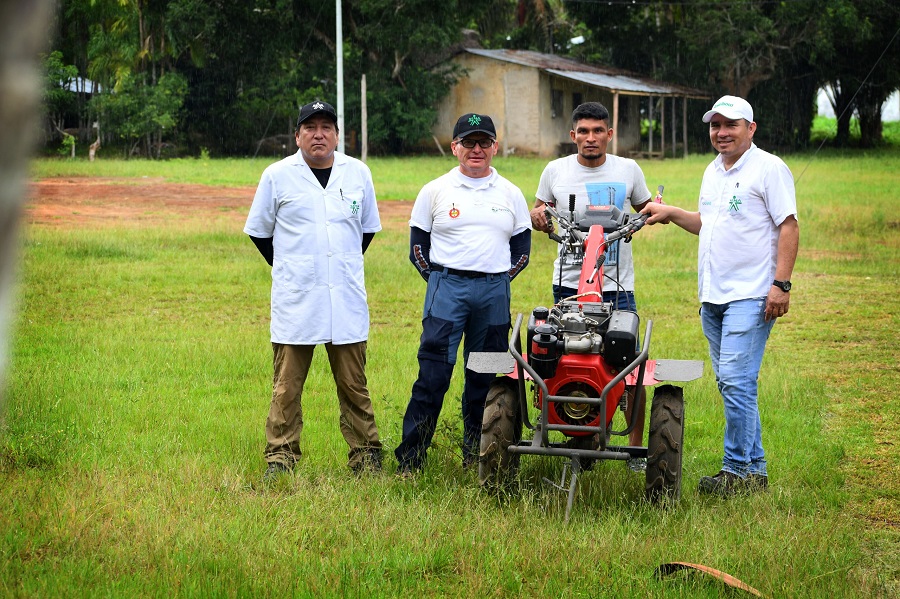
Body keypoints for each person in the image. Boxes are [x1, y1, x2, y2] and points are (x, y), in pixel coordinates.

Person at [641, 95, 799, 496]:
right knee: (737, 382)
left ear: (751, 128)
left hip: (751, 294)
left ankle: (735, 471)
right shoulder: (713, 171)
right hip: (713, 296)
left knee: (733, 379)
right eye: (715, 125)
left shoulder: (769, 169)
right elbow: (707, 224)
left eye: (731, 125)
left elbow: (789, 226)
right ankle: (756, 472)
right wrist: (673, 213)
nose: (721, 133)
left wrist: (781, 284)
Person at [244, 99, 384, 480]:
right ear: (298, 135)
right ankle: (280, 457)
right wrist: (296, 265)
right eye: (310, 127)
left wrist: (334, 262)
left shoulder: (358, 174)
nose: (318, 134)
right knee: (286, 387)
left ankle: (366, 455)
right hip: (297, 298)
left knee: (354, 385)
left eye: (326, 127)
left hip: (346, 297)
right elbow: (260, 233)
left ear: (338, 135)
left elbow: (365, 231)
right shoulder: (277, 175)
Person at [395, 112, 532, 474]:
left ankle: (478, 455)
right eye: (468, 142)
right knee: (433, 377)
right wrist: (442, 280)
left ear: (495, 147)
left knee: (484, 379)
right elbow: (417, 249)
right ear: (454, 147)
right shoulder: (435, 190)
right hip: (447, 289)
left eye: (484, 142)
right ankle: (411, 460)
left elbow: (522, 252)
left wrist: (497, 281)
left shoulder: (511, 194)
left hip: (493, 292)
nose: (476, 149)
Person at [529, 102, 652, 469]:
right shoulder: (556, 170)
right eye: (583, 131)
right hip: (569, 285)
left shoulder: (628, 169)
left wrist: (652, 215)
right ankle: (577, 438)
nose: (590, 138)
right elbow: (540, 210)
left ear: (609, 135)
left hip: (618, 285)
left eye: (598, 131)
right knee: (566, 359)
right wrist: (538, 217)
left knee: (629, 367)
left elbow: (646, 208)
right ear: (573, 136)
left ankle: (632, 450)